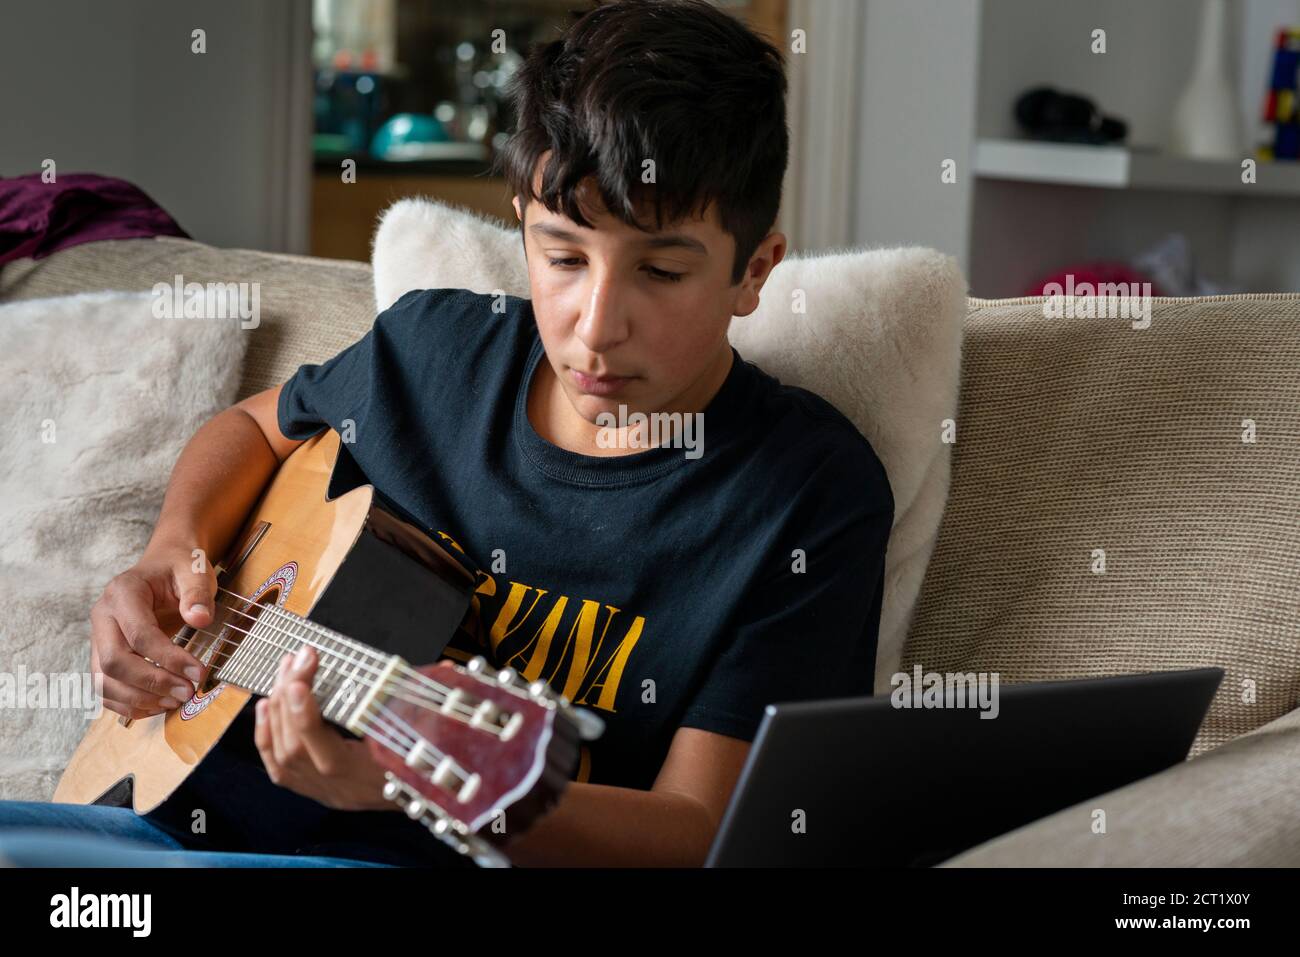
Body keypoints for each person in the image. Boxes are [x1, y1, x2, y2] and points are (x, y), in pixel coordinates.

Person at [0, 0, 893, 868]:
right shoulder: (434, 351)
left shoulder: (806, 496)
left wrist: (397, 785)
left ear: (755, 271)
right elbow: (251, 427)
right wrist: (173, 548)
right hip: (163, 814)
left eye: (659, 270)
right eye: (565, 256)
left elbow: (699, 830)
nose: (595, 324)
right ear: (522, 222)